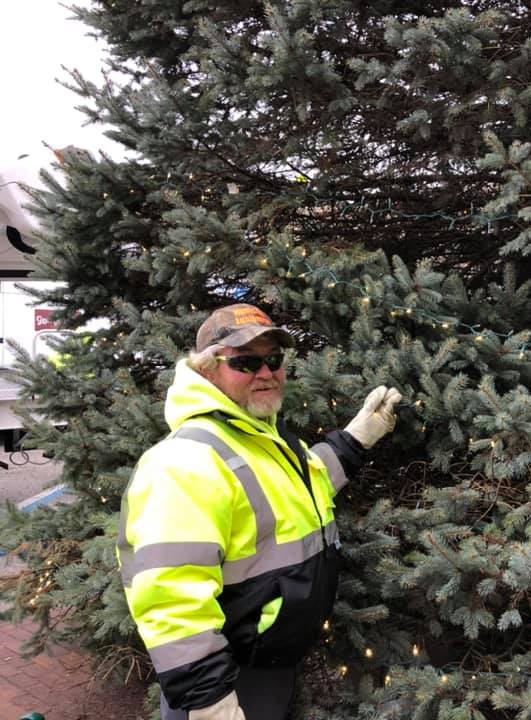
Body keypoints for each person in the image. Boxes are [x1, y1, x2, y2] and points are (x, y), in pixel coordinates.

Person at [117, 303, 402, 720]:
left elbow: (307, 485)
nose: (266, 373)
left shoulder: (259, 437)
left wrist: (357, 438)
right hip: (227, 683)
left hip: (268, 667)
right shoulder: (184, 463)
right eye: (246, 362)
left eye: (273, 359)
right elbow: (170, 602)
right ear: (207, 371)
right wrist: (211, 705)